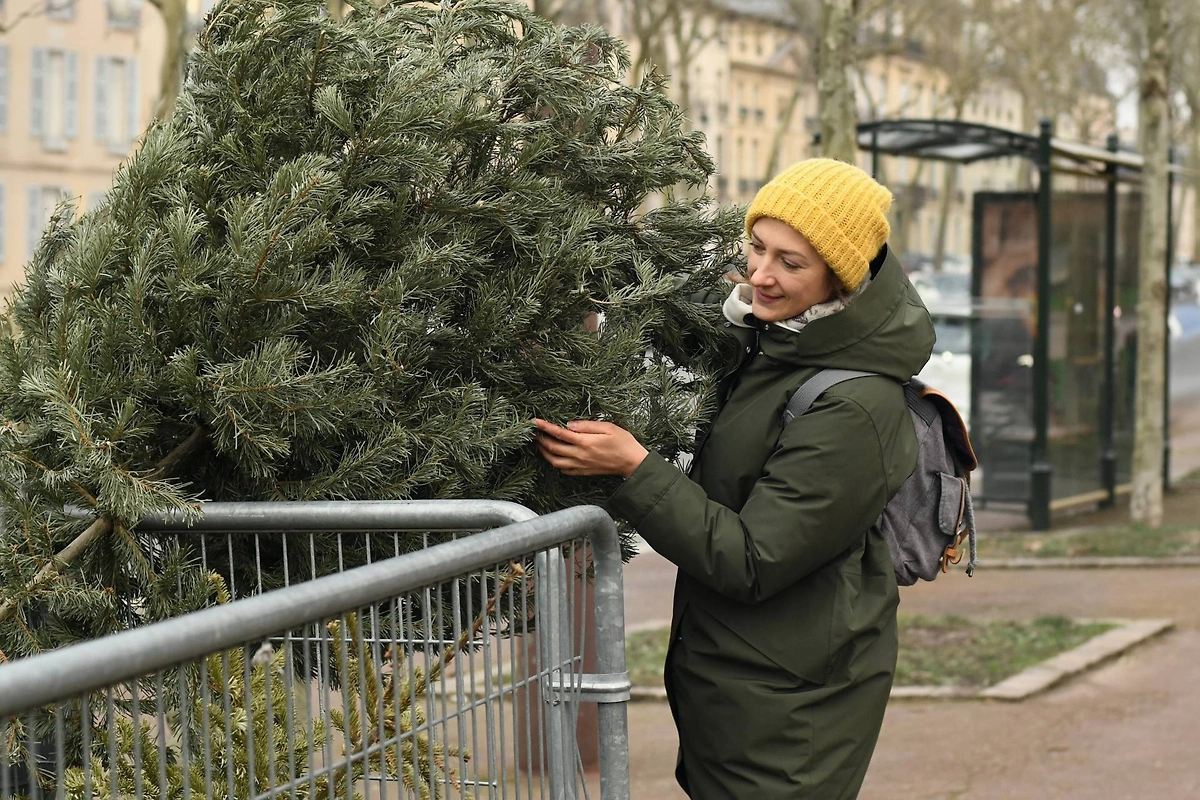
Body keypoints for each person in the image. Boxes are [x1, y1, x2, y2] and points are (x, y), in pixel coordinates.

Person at [534, 158, 935, 799]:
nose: (761, 274)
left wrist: (633, 468)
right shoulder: (779, 344)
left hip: (789, 713)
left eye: (791, 262)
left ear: (842, 276)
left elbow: (753, 558)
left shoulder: (854, 406)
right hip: (745, 688)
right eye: (757, 247)